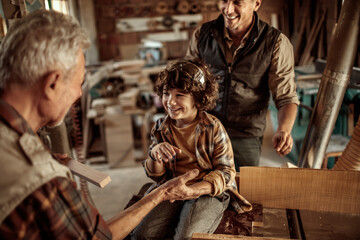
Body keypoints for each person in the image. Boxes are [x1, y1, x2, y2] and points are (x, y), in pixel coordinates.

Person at [0, 10, 202, 240]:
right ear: (52, 84)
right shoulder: (42, 179)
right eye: (80, 83)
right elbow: (97, 237)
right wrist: (161, 193)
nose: (78, 94)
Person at [131, 58, 252, 240]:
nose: (170, 102)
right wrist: (154, 155)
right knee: (141, 234)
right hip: (173, 188)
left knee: (186, 237)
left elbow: (227, 173)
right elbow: (156, 176)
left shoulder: (213, 127)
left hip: (207, 191)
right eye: (166, 93)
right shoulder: (160, 127)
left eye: (180, 95)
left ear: (198, 97)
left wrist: (193, 191)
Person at [187, 0, 300, 170]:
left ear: (256, 4)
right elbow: (187, 85)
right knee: (204, 186)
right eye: (224, 1)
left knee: (243, 188)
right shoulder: (201, 35)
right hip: (205, 130)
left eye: (238, 2)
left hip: (246, 134)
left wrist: (284, 130)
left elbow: (286, 96)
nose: (228, 9)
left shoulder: (275, 42)